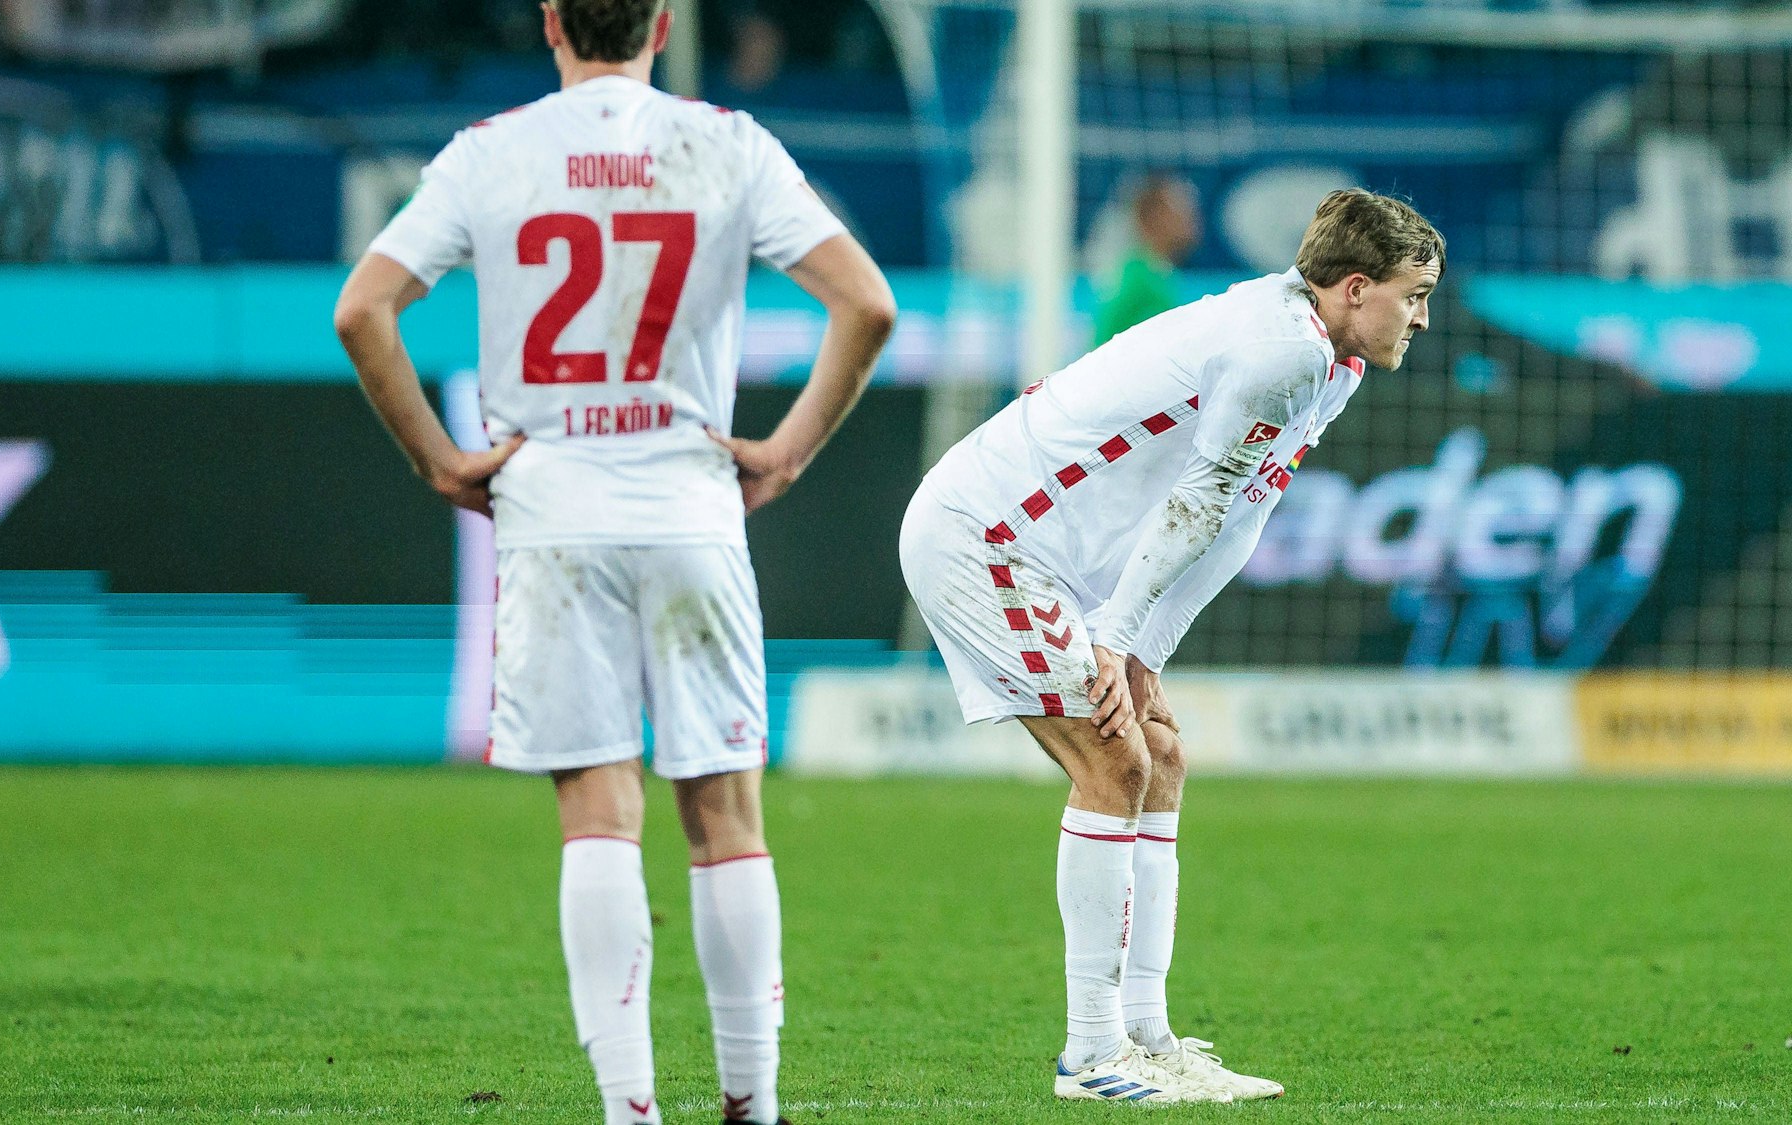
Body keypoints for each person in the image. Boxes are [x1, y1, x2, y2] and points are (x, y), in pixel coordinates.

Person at [332, 0, 897, 1119]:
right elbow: (865, 303)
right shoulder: (725, 145)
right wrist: (783, 453)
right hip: (688, 505)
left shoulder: (489, 156)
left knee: (598, 811)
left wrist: (443, 463)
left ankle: (629, 1108)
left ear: (550, 21)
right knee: (724, 818)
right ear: (663, 21)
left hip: (551, 514)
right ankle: (754, 1105)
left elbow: (363, 311)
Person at [901, 189, 1443, 1104]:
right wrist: (1116, 638)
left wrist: (1142, 649)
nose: (1422, 317)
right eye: (1413, 294)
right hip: (990, 536)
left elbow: (1239, 516)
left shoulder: (1325, 361)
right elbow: (1201, 496)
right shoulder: (1280, 354)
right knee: (1114, 762)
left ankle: (1147, 1036)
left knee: (1159, 752)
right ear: (1355, 288)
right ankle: (1093, 1053)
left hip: (1043, 553)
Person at [1092, 174, 1201, 347]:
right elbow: (1103, 339)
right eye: (1179, 209)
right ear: (1154, 217)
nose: (1191, 217)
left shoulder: (1160, 270)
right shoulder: (1136, 275)